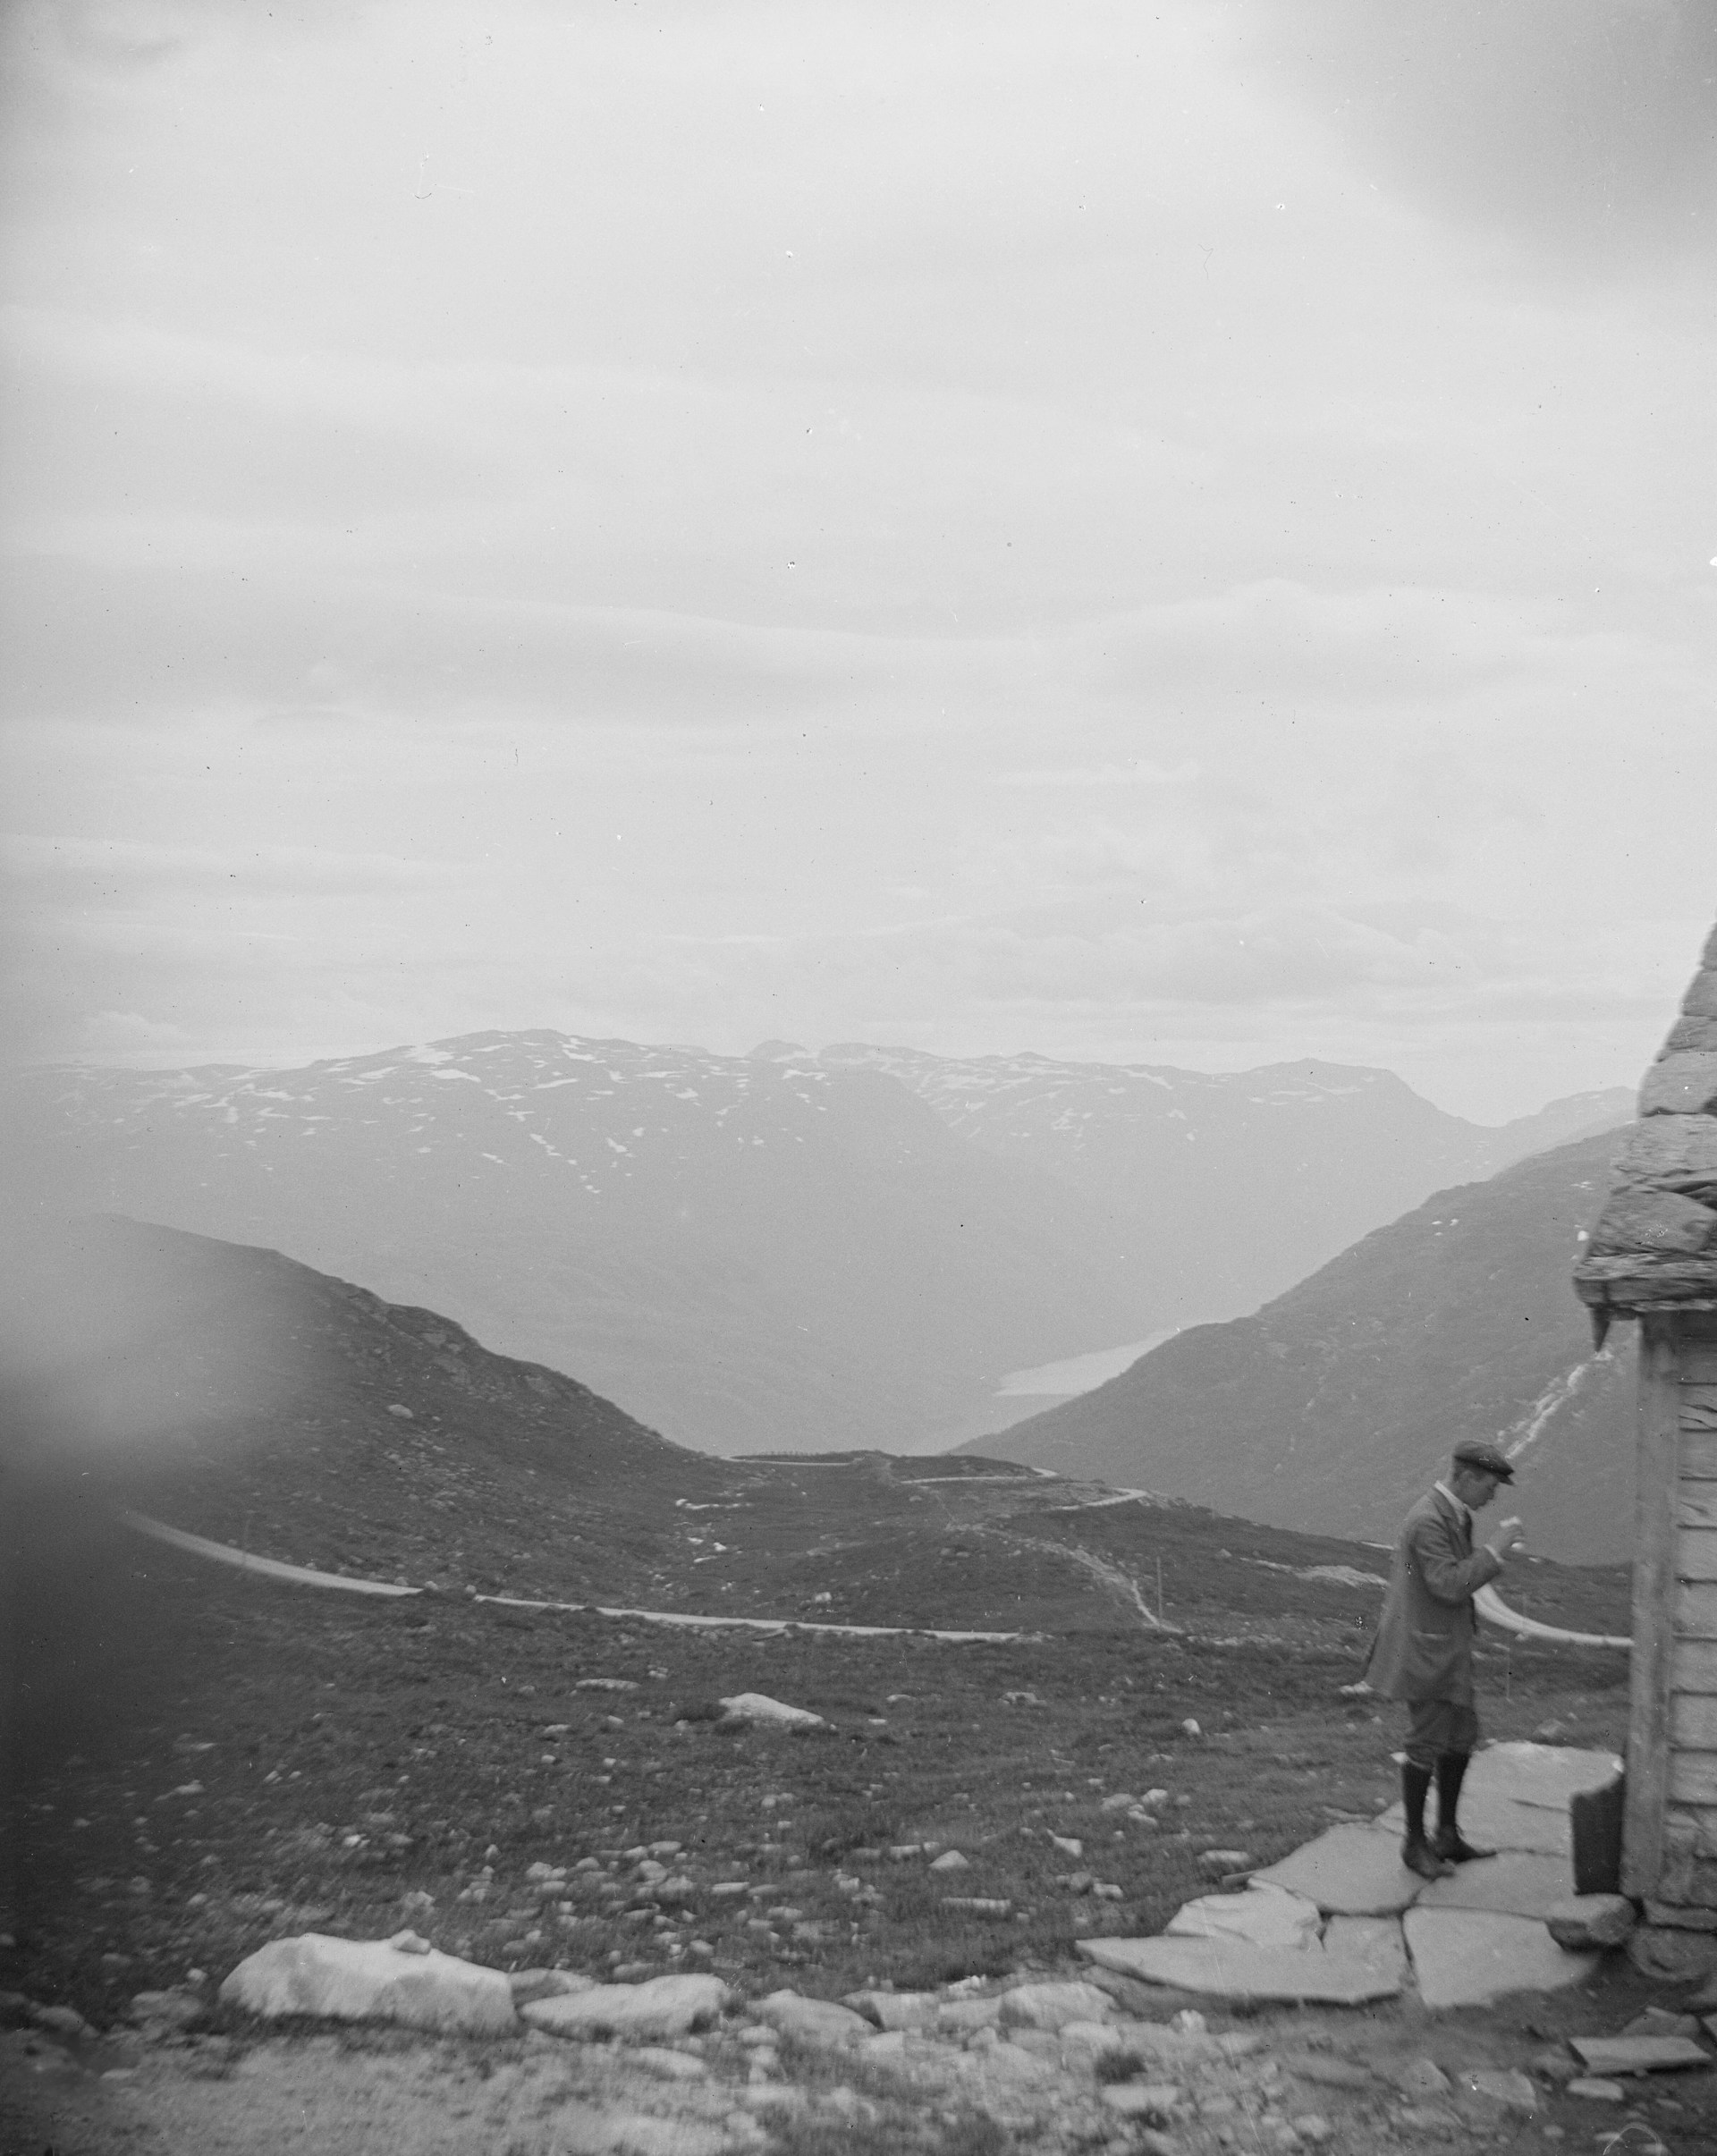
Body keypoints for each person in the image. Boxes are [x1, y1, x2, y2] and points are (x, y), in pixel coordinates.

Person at [1365, 1439, 1527, 1881]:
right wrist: (1494, 1552)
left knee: (1461, 1735)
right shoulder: (1428, 1520)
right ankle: (1414, 1845)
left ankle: (1447, 1835)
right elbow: (1449, 1585)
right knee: (1427, 1740)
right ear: (1466, 1477)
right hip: (1426, 1652)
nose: (1492, 1496)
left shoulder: (1451, 1514)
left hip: (1444, 1649)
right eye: (1490, 1486)